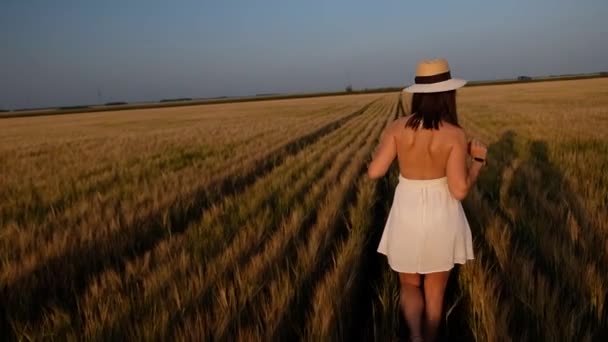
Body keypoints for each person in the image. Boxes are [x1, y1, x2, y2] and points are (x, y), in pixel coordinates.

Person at [368, 58, 487, 342]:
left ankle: (416, 336)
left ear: (418, 93)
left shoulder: (397, 128)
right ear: (448, 94)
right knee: (436, 288)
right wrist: (478, 162)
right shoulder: (455, 135)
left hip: (406, 210)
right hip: (442, 213)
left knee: (409, 283)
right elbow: (459, 190)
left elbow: (375, 172)